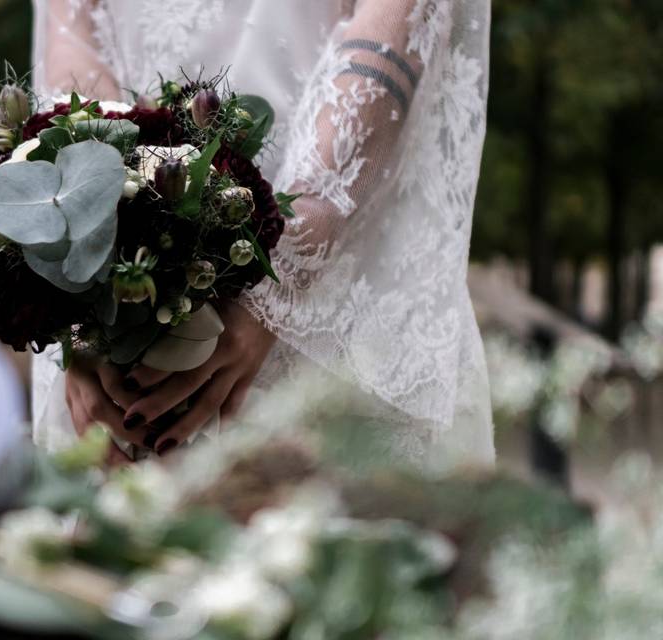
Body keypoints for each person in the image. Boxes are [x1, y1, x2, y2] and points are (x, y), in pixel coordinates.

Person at [30, 0, 496, 471]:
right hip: (115, 331)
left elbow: (389, 38)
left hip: (328, 313)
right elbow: (71, 45)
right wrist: (85, 307)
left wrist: (274, 287)